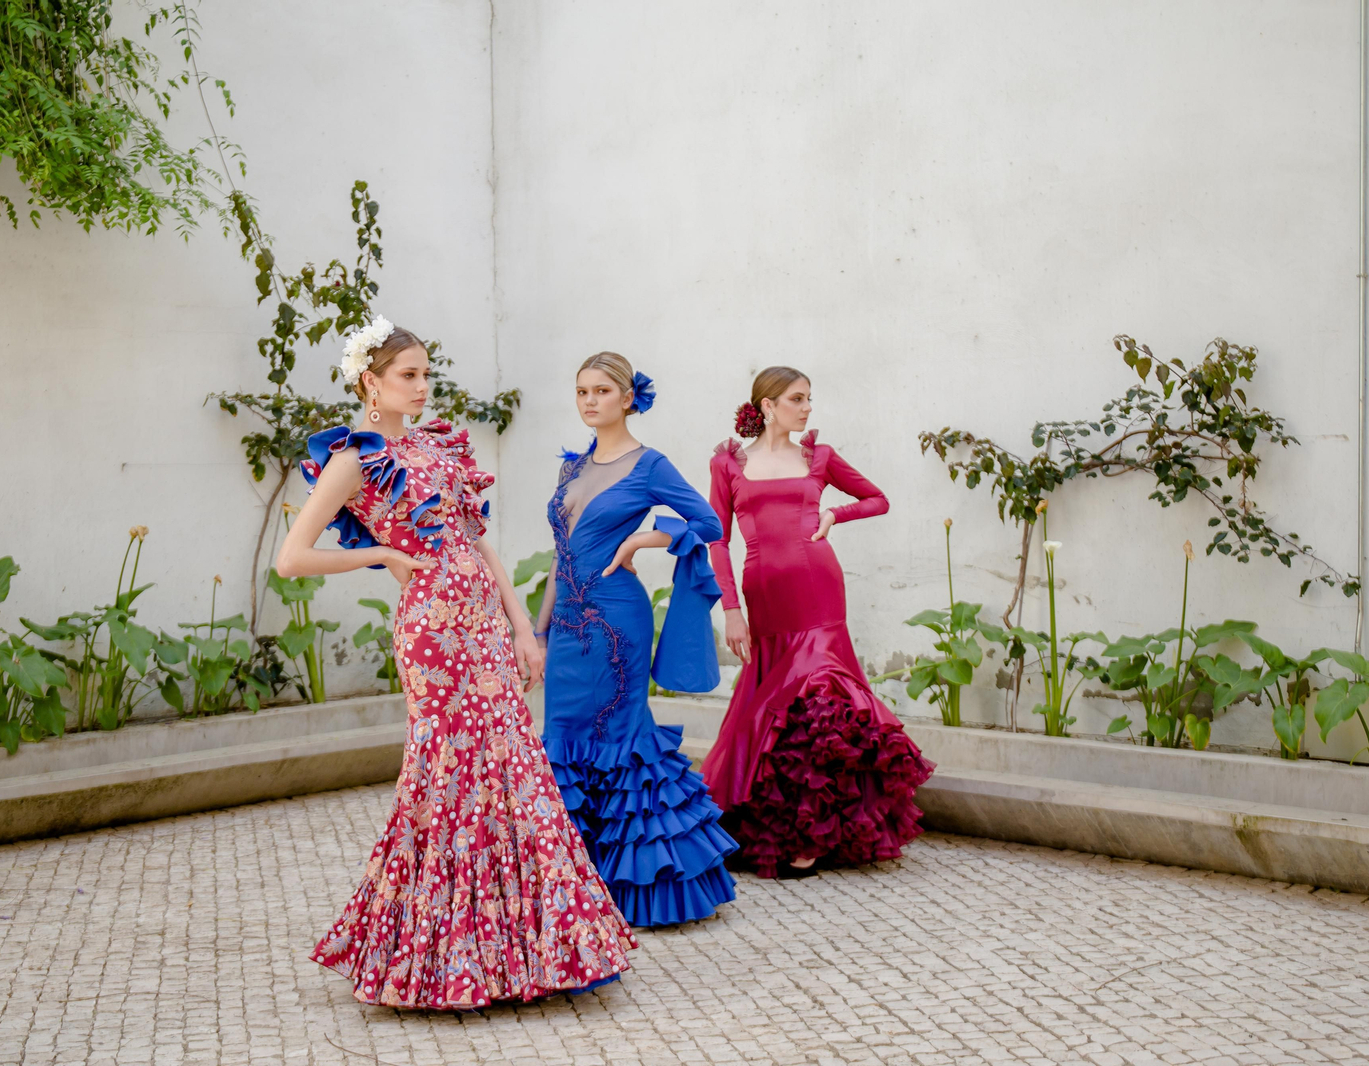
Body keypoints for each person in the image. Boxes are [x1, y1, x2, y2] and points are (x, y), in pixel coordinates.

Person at [280, 316, 635, 1010]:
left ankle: (534, 949)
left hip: (486, 630)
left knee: (514, 769)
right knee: (448, 777)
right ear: (370, 382)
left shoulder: (433, 446)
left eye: (425, 374)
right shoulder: (354, 459)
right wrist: (382, 553)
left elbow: (479, 543)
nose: (421, 387)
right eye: (407, 375)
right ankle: (445, 957)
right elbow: (292, 557)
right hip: (433, 636)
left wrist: (523, 629)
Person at [703, 366, 935, 879]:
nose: (807, 408)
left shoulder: (819, 457)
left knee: (821, 694)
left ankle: (811, 835)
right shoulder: (728, 464)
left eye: (809, 398)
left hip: (819, 591)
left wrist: (834, 516)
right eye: (797, 398)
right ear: (767, 406)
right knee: (774, 704)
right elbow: (716, 538)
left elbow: (877, 499)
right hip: (765, 596)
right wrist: (731, 609)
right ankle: (780, 824)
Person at [533, 353, 738, 927]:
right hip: (567, 625)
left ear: (627, 398)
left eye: (602, 391)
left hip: (617, 620)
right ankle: (572, 883)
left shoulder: (650, 465)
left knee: (619, 738)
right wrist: (539, 632)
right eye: (582, 391)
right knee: (563, 738)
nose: (589, 401)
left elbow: (709, 523)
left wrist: (642, 540)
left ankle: (641, 886)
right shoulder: (571, 469)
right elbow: (559, 558)